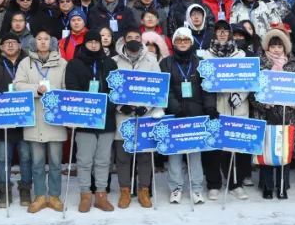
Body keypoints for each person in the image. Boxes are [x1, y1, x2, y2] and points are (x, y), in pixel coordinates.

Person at [64, 29, 118, 212]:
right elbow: (72, 88)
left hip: (106, 119)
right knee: (85, 159)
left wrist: (105, 107)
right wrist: (89, 107)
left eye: (97, 42)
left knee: (103, 160)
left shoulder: (110, 63)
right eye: (90, 42)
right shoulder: (74, 64)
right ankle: (85, 194)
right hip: (85, 119)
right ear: (84, 44)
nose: (94, 45)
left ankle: (101, 194)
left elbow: (116, 89)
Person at [17, 28, 68, 213]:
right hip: (34, 119)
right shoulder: (25, 63)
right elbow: (18, 85)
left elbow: (66, 88)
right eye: (39, 39)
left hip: (54, 119)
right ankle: (39, 196)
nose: (43, 42)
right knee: (37, 163)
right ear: (34, 42)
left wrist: (53, 91)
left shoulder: (62, 63)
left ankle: (54, 196)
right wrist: (36, 90)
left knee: (55, 162)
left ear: (52, 42)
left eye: (47, 39)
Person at [253, 28, 295, 199]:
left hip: (288, 113)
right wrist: (263, 104)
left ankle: (282, 185)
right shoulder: (260, 65)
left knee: (284, 149)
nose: (276, 49)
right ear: (267, 47)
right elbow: (253, 92)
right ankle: (267, 186)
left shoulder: (294, 65)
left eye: (280, 46)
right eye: (273, 46)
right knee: (267, 148)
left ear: (285, 48)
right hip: (267, 114)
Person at [112, 29, 162, 208]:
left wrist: (147, 107)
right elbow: (110, 88)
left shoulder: (151, 60)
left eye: (136, 37)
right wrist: (119, 106)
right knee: (123, 156)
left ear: (142, 40)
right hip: (123, 116)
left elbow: (158, 87)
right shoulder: (114, 62)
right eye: (129, 37)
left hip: (145, 115)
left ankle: (144, 190)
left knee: (144, 156)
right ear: (124, 40)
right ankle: (125, 190)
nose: (133, 40)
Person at [200, 21, 249, 199]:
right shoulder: (206, 56)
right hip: (216, 105)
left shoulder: (240, 55)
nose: (222, 34)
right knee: (213, 146)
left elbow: (248, 78)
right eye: (218, 31)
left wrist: (239, 95)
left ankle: (236, 182)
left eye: (225, 31)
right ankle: (213, 183)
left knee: (235, 145)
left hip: (236, 106)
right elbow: (202, 82)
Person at [161, 27, 207, 204]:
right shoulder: (166, 63)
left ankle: (196, 188)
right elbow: (165, 88)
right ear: (173, 43)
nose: (182, 43)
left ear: (191, 42)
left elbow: (207, 88)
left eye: (185, 40)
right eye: (178, 40)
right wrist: (174, 107)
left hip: (196, 113)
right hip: (175, 114)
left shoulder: (200, 62)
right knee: (175, 152)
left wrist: (208, 108)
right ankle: (176, 187)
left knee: (195, 152)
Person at [0, 34, 33, 208]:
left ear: (20, 45)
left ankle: (25, 189)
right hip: (3, 118)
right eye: (6, 43)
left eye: (13, 42)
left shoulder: (28, 64)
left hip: (24, 118)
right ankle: (5, 189)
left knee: (26, 157)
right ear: (1, 48)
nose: (10, 45)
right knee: (2, 158)